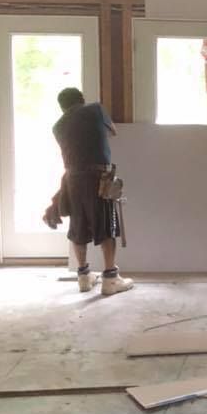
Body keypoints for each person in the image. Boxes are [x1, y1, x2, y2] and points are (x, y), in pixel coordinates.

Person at [52, 88, 133, 296]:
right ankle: (110, 280)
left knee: (78, 226)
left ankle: (84, 277)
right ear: (82, 99)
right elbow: (113, 131)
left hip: (72, 179)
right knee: (106, 224)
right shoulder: (95, 109)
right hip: (98, 176)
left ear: (62, 107)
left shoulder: (58, 126)